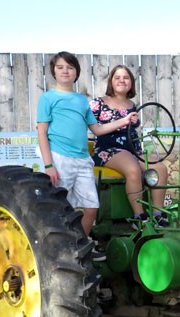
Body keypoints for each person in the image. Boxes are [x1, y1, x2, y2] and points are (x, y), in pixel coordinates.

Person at [36, 51, 117, 260]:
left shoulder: (82, 101)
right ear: (54, 71)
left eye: (70, 67)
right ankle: (59, 253)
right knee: (63, 208)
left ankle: (80, 246)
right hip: (59, 157)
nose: (65, 71)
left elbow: (97, 129)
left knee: (91, 207)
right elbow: (42, 132)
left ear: (76, 72)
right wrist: (48, 165)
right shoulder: (48, 98)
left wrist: (123, 122)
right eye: (61, 67)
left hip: (82, 160)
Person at [90, 65, 170, 227]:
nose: (122, 80)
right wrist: (123, 121)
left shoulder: (131, 104)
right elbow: (93, 128)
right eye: (117, 77)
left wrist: (135, 121)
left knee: (160, 168)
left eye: (126, 78)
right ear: (111, 81)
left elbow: (133, 127)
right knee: (132, 169)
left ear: (131, 83)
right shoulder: (97, 103)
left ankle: (157, 213)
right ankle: (139, 216)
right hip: (108, 150)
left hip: (133, 150)